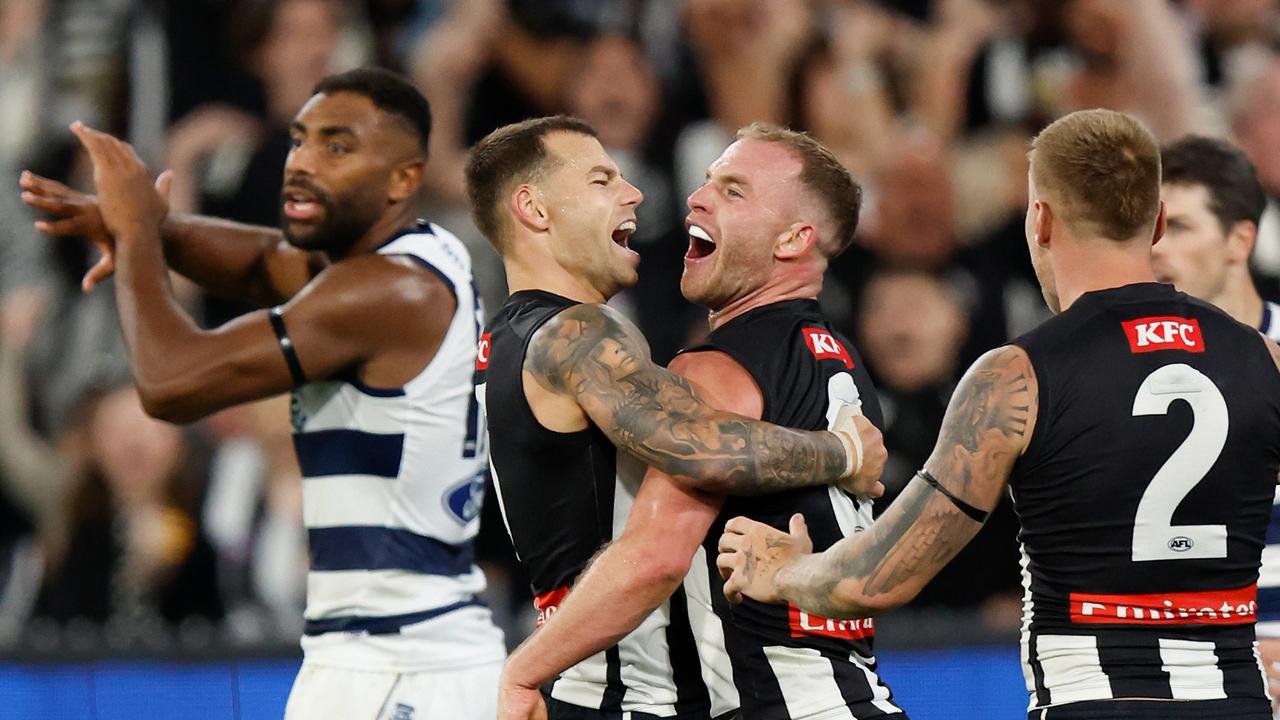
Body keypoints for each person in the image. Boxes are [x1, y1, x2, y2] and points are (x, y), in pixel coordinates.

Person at [717, 108, 1280, 720]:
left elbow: (878, 579)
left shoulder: (1017, 377)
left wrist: (787, 571)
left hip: (1090, 703)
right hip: (1241, 704)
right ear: (1158, 222)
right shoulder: (1267, 360)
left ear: (1039, 220)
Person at [20, 67, 506, 719]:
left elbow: (170, 383)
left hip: (399, 669)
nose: (301, 162)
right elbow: (259, 260)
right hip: (407, 650)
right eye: (300, 139)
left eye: (337, 146)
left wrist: (136, 238)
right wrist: (151, 232)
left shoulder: (385, 292)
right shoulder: (418, 258)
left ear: (402, 179)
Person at [464, 116, 887, 720]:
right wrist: (842, 453)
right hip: (629, 690)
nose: (634, 192)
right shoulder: (582, 332)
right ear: (534, 208)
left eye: (732, 188)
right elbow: (697, 456)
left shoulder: (511, 338)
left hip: (593, 675)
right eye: (601, 178)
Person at [1153, 135, 1280, 709]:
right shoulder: (1126, 373)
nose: (1156, 249)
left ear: (1240, 239)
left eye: (1178, 227)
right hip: (1179, 678)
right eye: (1149, 229)